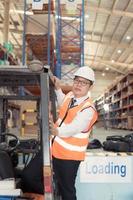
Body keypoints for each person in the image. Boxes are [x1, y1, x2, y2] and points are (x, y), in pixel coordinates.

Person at [49, 66, 98, 200]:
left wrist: (57, 130)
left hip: (69, 158)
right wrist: (58, 88)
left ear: (90, 86)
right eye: (77, 81)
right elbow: (63, 103)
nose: (78, 85)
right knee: (31, 177)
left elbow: (75, 127)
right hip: (53, 149)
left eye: (84, 82)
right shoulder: (70, 96)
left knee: (67, 191)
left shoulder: (88, 109)